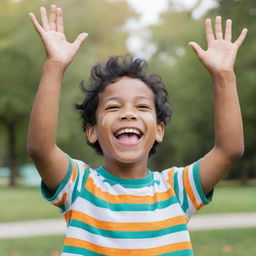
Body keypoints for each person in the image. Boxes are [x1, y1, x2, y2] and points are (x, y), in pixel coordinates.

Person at [27, 5, 247, 256]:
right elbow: (40, 149)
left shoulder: (177, 189)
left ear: (159, 130)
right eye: (113, 107)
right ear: (92, 131)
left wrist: (223, 76)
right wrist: (54, 66)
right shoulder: (79, 186)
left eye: (142, 106)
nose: (128, 113)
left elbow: (229, 149)